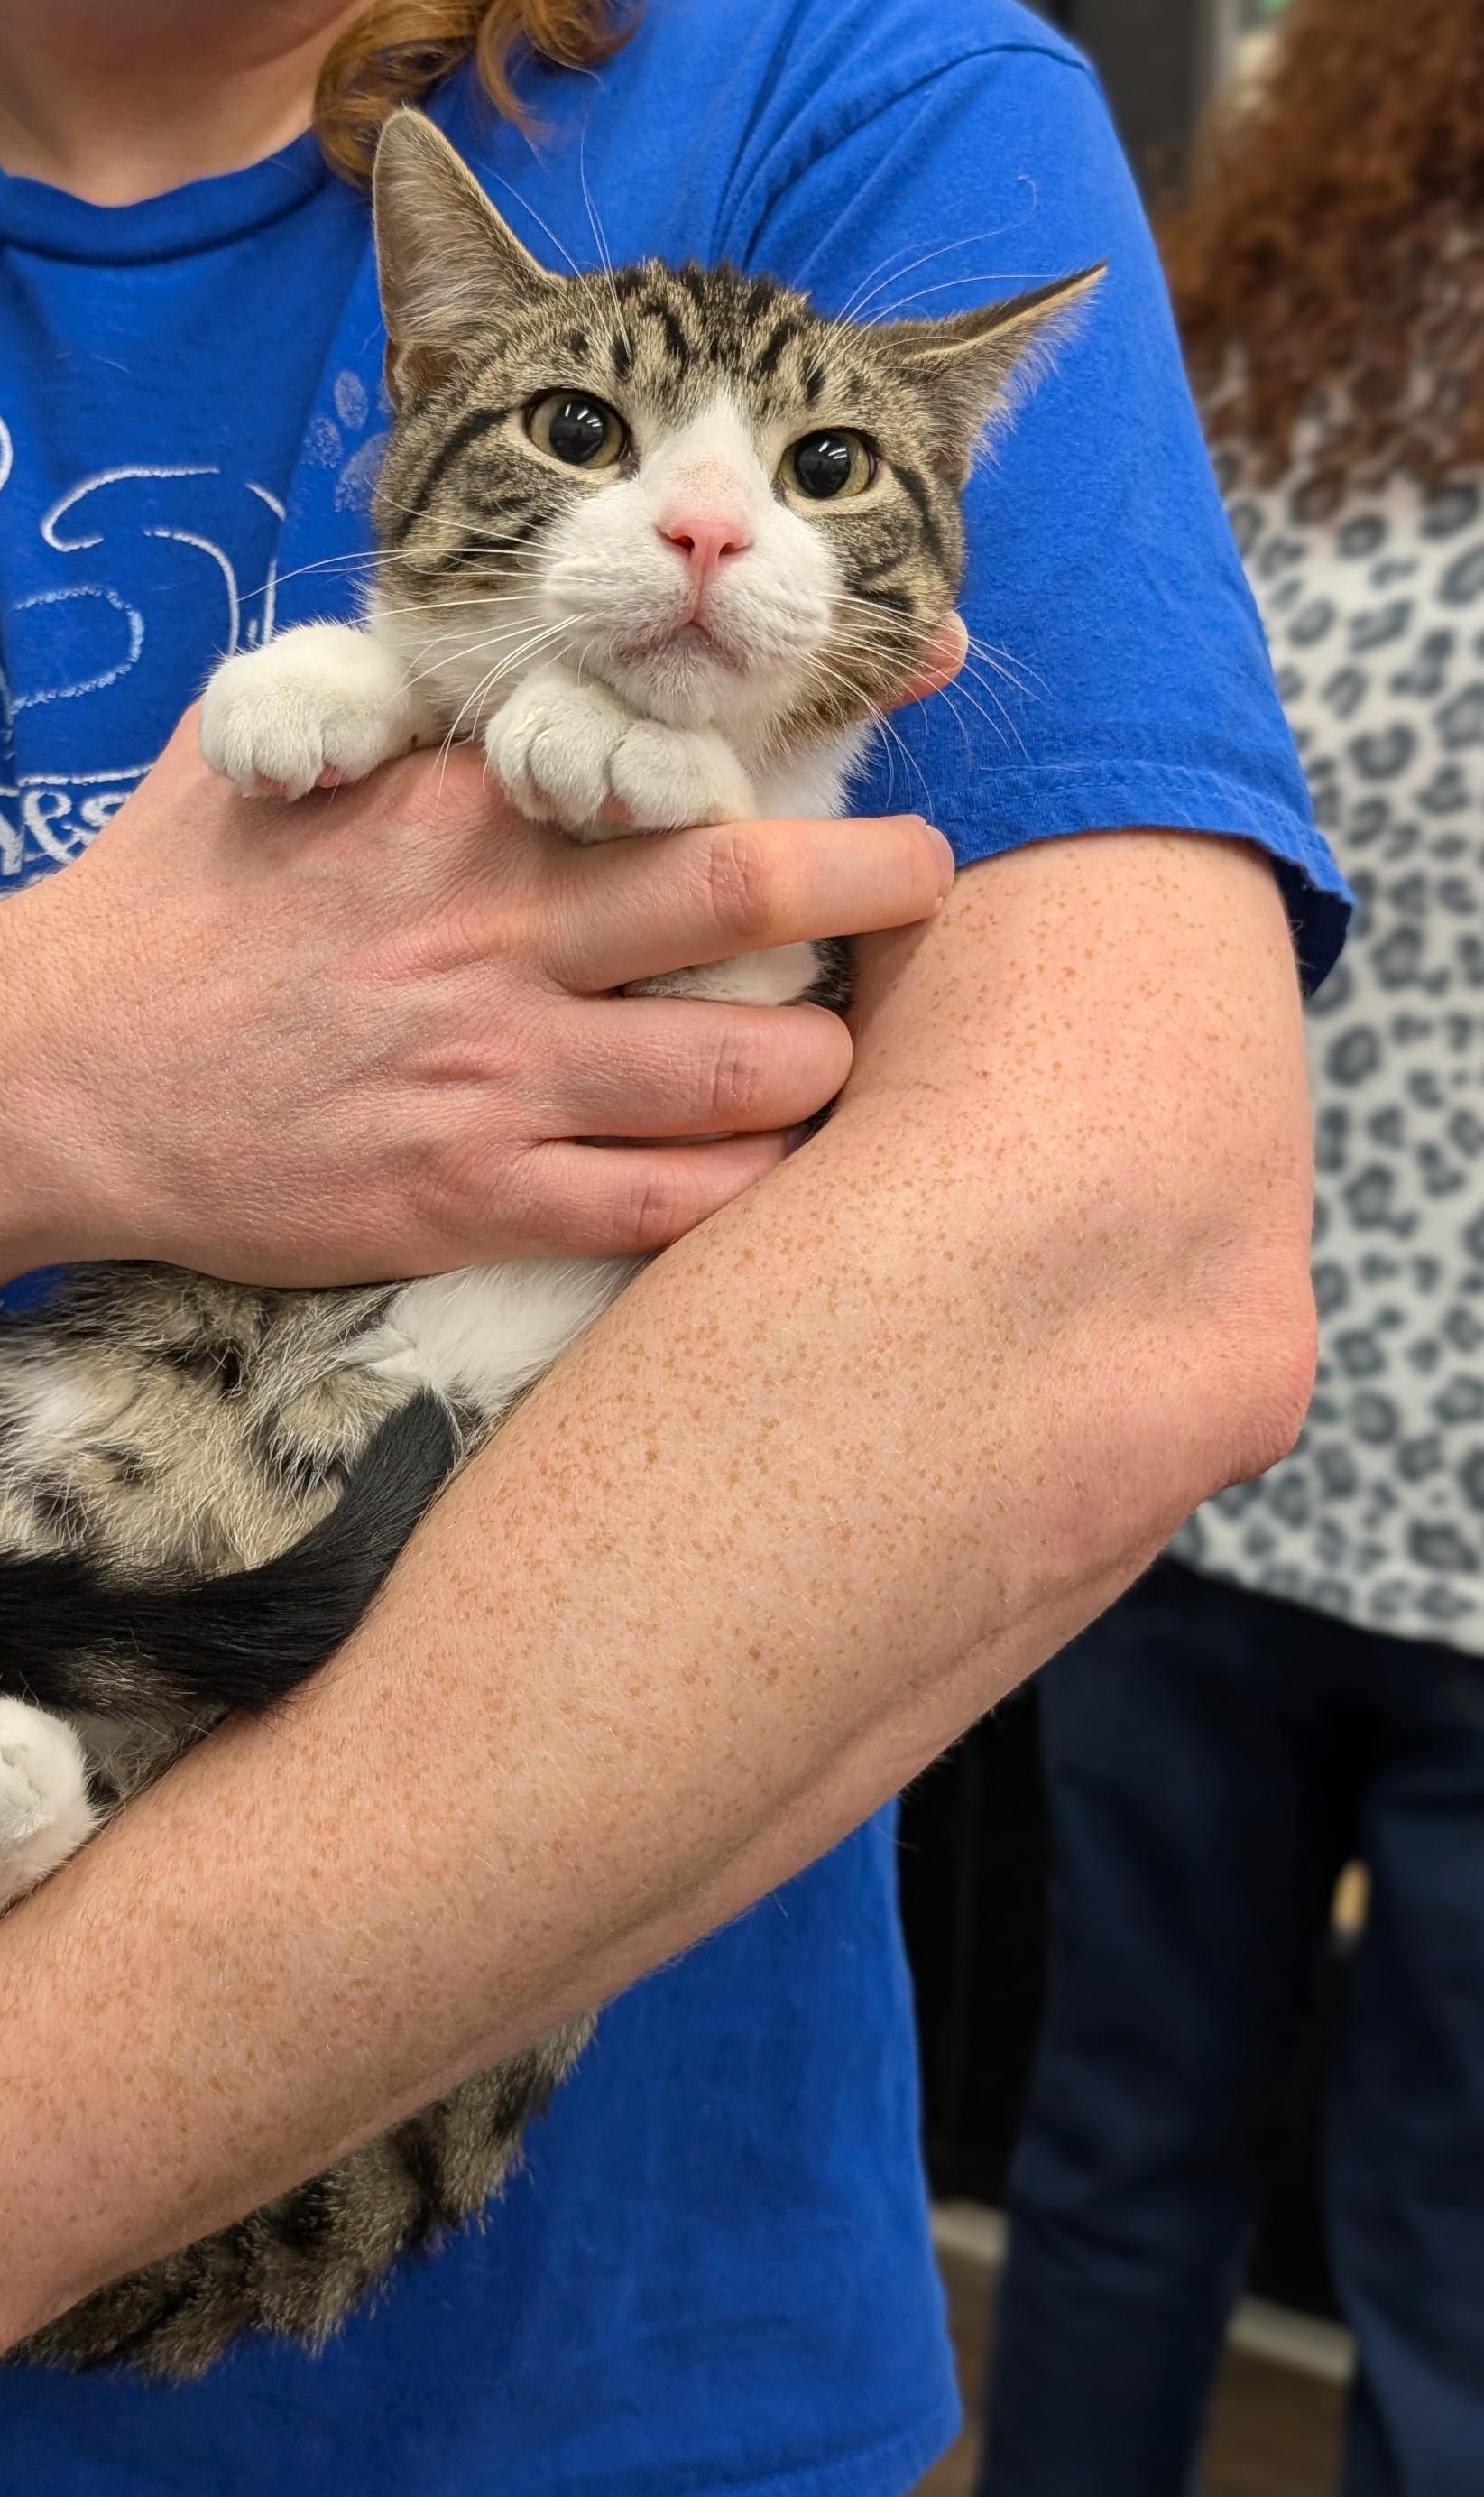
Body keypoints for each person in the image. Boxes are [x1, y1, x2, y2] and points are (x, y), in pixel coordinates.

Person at [0, 0, 1341, 2490]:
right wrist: (78, 1063)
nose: (714, 517)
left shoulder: (869, 102)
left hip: (568, 2401)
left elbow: (1111, 1274)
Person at [976, 3, 1484, 2490]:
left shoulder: (1236, 390)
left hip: (1190, 1447)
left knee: (1112, 2165)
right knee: (1448, 2253)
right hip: (1351, 1496)